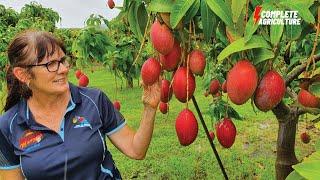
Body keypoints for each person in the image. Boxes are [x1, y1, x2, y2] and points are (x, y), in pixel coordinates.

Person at [0, 30, 161, 180]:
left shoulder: (94, 100)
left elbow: (136, 150)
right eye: (51, 64)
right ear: (22, 74)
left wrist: (150, 108)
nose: (63, 69)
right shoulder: (8, 126)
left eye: (63, 60)